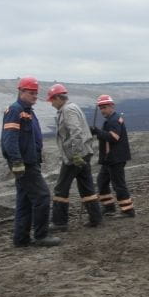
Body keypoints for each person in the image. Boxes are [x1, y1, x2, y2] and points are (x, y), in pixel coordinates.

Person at [1, 76, 61, 247]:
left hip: (30, 161)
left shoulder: (27, 111)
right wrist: (17, 161)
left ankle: (21, 239)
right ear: (21, 91)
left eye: (36, 93)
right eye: (31, 93)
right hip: (24, 163)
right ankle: (41, 236)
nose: (35, 96)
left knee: (25, 200)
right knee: (42, 196)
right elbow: (10, 139)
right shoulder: (15, 110)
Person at [47, 84, 103, 230]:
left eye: (52, 100)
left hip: (75, 156)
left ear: (58, 97)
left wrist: (76, 154)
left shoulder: (68, 110)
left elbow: (76, 132)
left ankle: (59, 222)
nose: (51, 103)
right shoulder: (71, 107)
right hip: (83, 153)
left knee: (61, 188)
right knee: (86, 186)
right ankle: (96, 218)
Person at [90, 95, 135, 217]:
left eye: (104, 107)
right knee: (102, 181)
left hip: (115, 158)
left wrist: (97, 132)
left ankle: (128, 210)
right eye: (101, 108)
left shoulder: (114, 120)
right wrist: (98, 132)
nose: (102, 111)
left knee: (118, 184)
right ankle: (109, 207)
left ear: (112, 106)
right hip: (109, 159)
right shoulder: (111, 119)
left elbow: (114, 137)